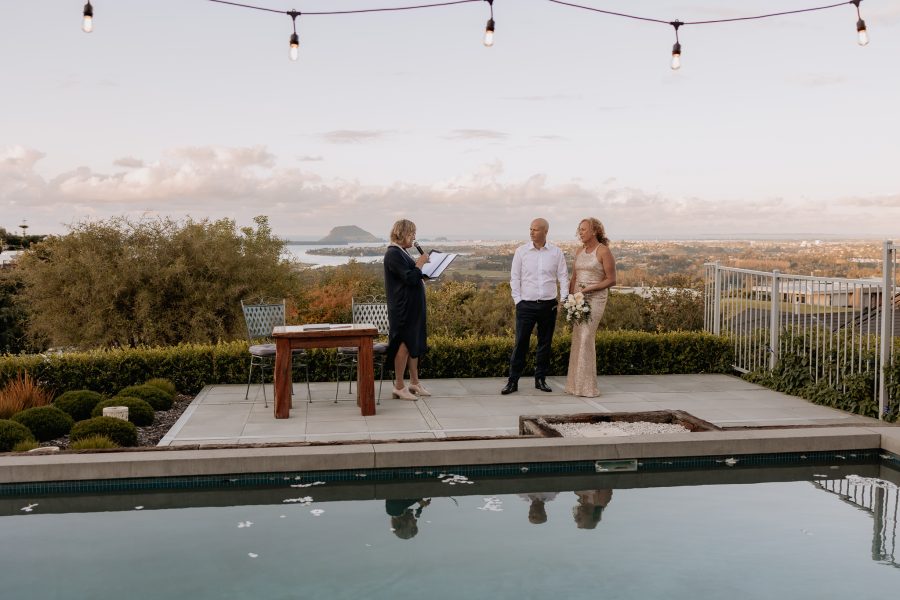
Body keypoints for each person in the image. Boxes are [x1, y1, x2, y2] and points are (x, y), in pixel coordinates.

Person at [502, 218, 569, 395]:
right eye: (530, 229)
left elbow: (563, 277)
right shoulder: (521, 251)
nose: (532, 232)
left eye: (536, 229)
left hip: (549, 305)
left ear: (545, 231)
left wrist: (563, 299)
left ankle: (540, 380)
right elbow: (514, 277)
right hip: (526, 305)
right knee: (521, 344)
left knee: (545, 344)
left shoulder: (556, 252)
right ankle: (512, 381)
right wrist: (518, 300)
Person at [565, 218, 616, 397]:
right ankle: (575, 385)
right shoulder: (579, 251)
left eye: (584, 229)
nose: (580, 232)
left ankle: (588, 387)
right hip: (578, 299)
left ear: (594, 231)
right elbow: (574, 278)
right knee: (578, 337)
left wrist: (590, 288)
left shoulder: (603, 251)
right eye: (579, 229)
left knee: (587, 336)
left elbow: (611, 279)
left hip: (596, 298)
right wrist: (570, 298)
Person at [384, 219, 431, 401]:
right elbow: (409, 278)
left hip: (413, 307)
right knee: (403, 345)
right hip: (402, 308)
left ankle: (414, 382)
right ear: (402, 234)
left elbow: (412, 277)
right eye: (412, 234)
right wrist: (420, 263)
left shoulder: (402, 252)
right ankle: (399, 386)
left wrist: (423, 273)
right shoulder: (393, 254)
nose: (414, 238)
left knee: (414, 344)